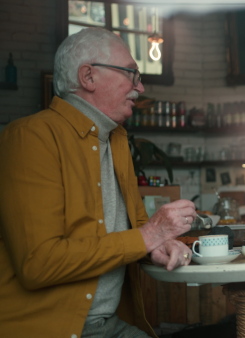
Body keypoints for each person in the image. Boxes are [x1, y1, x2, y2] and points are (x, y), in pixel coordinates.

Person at [0, 27, 197, 337]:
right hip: (49, 328)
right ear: (88, 77)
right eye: (131, 74)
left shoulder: (116, 140)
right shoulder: (30, 138)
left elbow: (135, 229)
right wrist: (149, 235)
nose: (140, 87)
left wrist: (157, 245)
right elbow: (38, 264)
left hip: (105, 325)